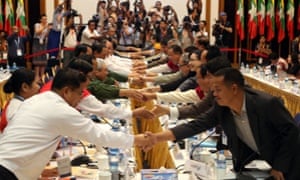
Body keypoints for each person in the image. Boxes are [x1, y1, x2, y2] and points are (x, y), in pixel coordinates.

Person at [146, 68, 300, 179]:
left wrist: (280, 166)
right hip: (262, 163)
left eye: (218, 90)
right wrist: (156, 138)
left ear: (234, 88)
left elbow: (292, 132)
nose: (214, 94)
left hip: (292, 164)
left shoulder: (266, 104)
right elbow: (196, 125)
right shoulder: (223, 108)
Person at [0, 68, 154, 180]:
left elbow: (23, 141)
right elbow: (99, 135)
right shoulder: (60, 109)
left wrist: (37, 170)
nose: (81, 98)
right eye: (80, 93)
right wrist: (138, 140)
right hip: (9, 172)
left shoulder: (35, 100)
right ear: (67, 91)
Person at [0, 68, 40, 133]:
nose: (39, 87)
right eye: (37, 83)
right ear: (25, 87)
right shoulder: (19, 110)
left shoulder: (15, 104)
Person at [32, 14, 49, 80]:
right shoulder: (37, 25)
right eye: (44, 19)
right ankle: (36, 76)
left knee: (43, 59)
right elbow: (37, 32)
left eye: (46, 19)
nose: (45, 20)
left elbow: (46, 35)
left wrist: (48, 30)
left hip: (43, 42)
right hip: (37, 42)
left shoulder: (46, 26)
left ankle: (42, 76)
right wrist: (44, 27)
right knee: (37, 58)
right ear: (40, 20)